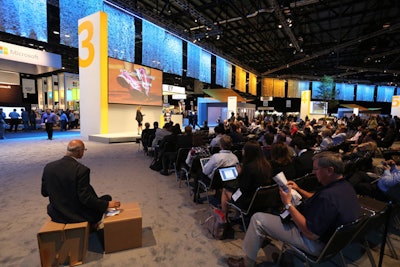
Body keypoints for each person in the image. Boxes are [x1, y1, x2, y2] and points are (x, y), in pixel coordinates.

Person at [227, 151, 360, 267]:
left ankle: (246, 263)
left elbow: (310, 234)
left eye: (316, 169)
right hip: (335, 243)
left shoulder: (327, 197)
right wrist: (299, 189)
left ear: (330, 170)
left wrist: (288, 204)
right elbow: (316, 198)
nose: (313, 173)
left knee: (257, 219)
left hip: (316, 244)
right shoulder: (345, 186)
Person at [41, 140, 121, 229]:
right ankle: (92, 227)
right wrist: (106, 205)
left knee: (102, 200)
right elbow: (85, 198)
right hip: (76, 216)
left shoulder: (48, 167)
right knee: (107, 198)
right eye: (84, 150)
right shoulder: (81, 170)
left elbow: (44, 192)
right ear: (79, 151)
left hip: (56, 214)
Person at [220, 141, 272, 219]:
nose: (242, 150)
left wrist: (239, 175)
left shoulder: (249, 168)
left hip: (249, 202)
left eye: (244, 149)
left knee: (225, 190)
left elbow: (242, 188)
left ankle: (223, 220)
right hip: (263, 200)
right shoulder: (266, 165)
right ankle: (238, 215)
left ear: (248, 152)